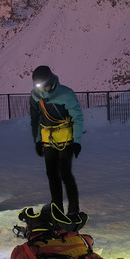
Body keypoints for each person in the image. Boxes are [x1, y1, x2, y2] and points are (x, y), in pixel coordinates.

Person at [29, 65, 83, 215]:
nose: (43, 91)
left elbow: (77, 117)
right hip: (47, 140)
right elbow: (35, 119)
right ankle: (57, 208)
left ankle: (73, 209)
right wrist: (38, 140)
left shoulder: (66, 94)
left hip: (65, 139)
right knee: (52, 175)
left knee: (65, 173)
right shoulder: (35, 96)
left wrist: (77, 141)